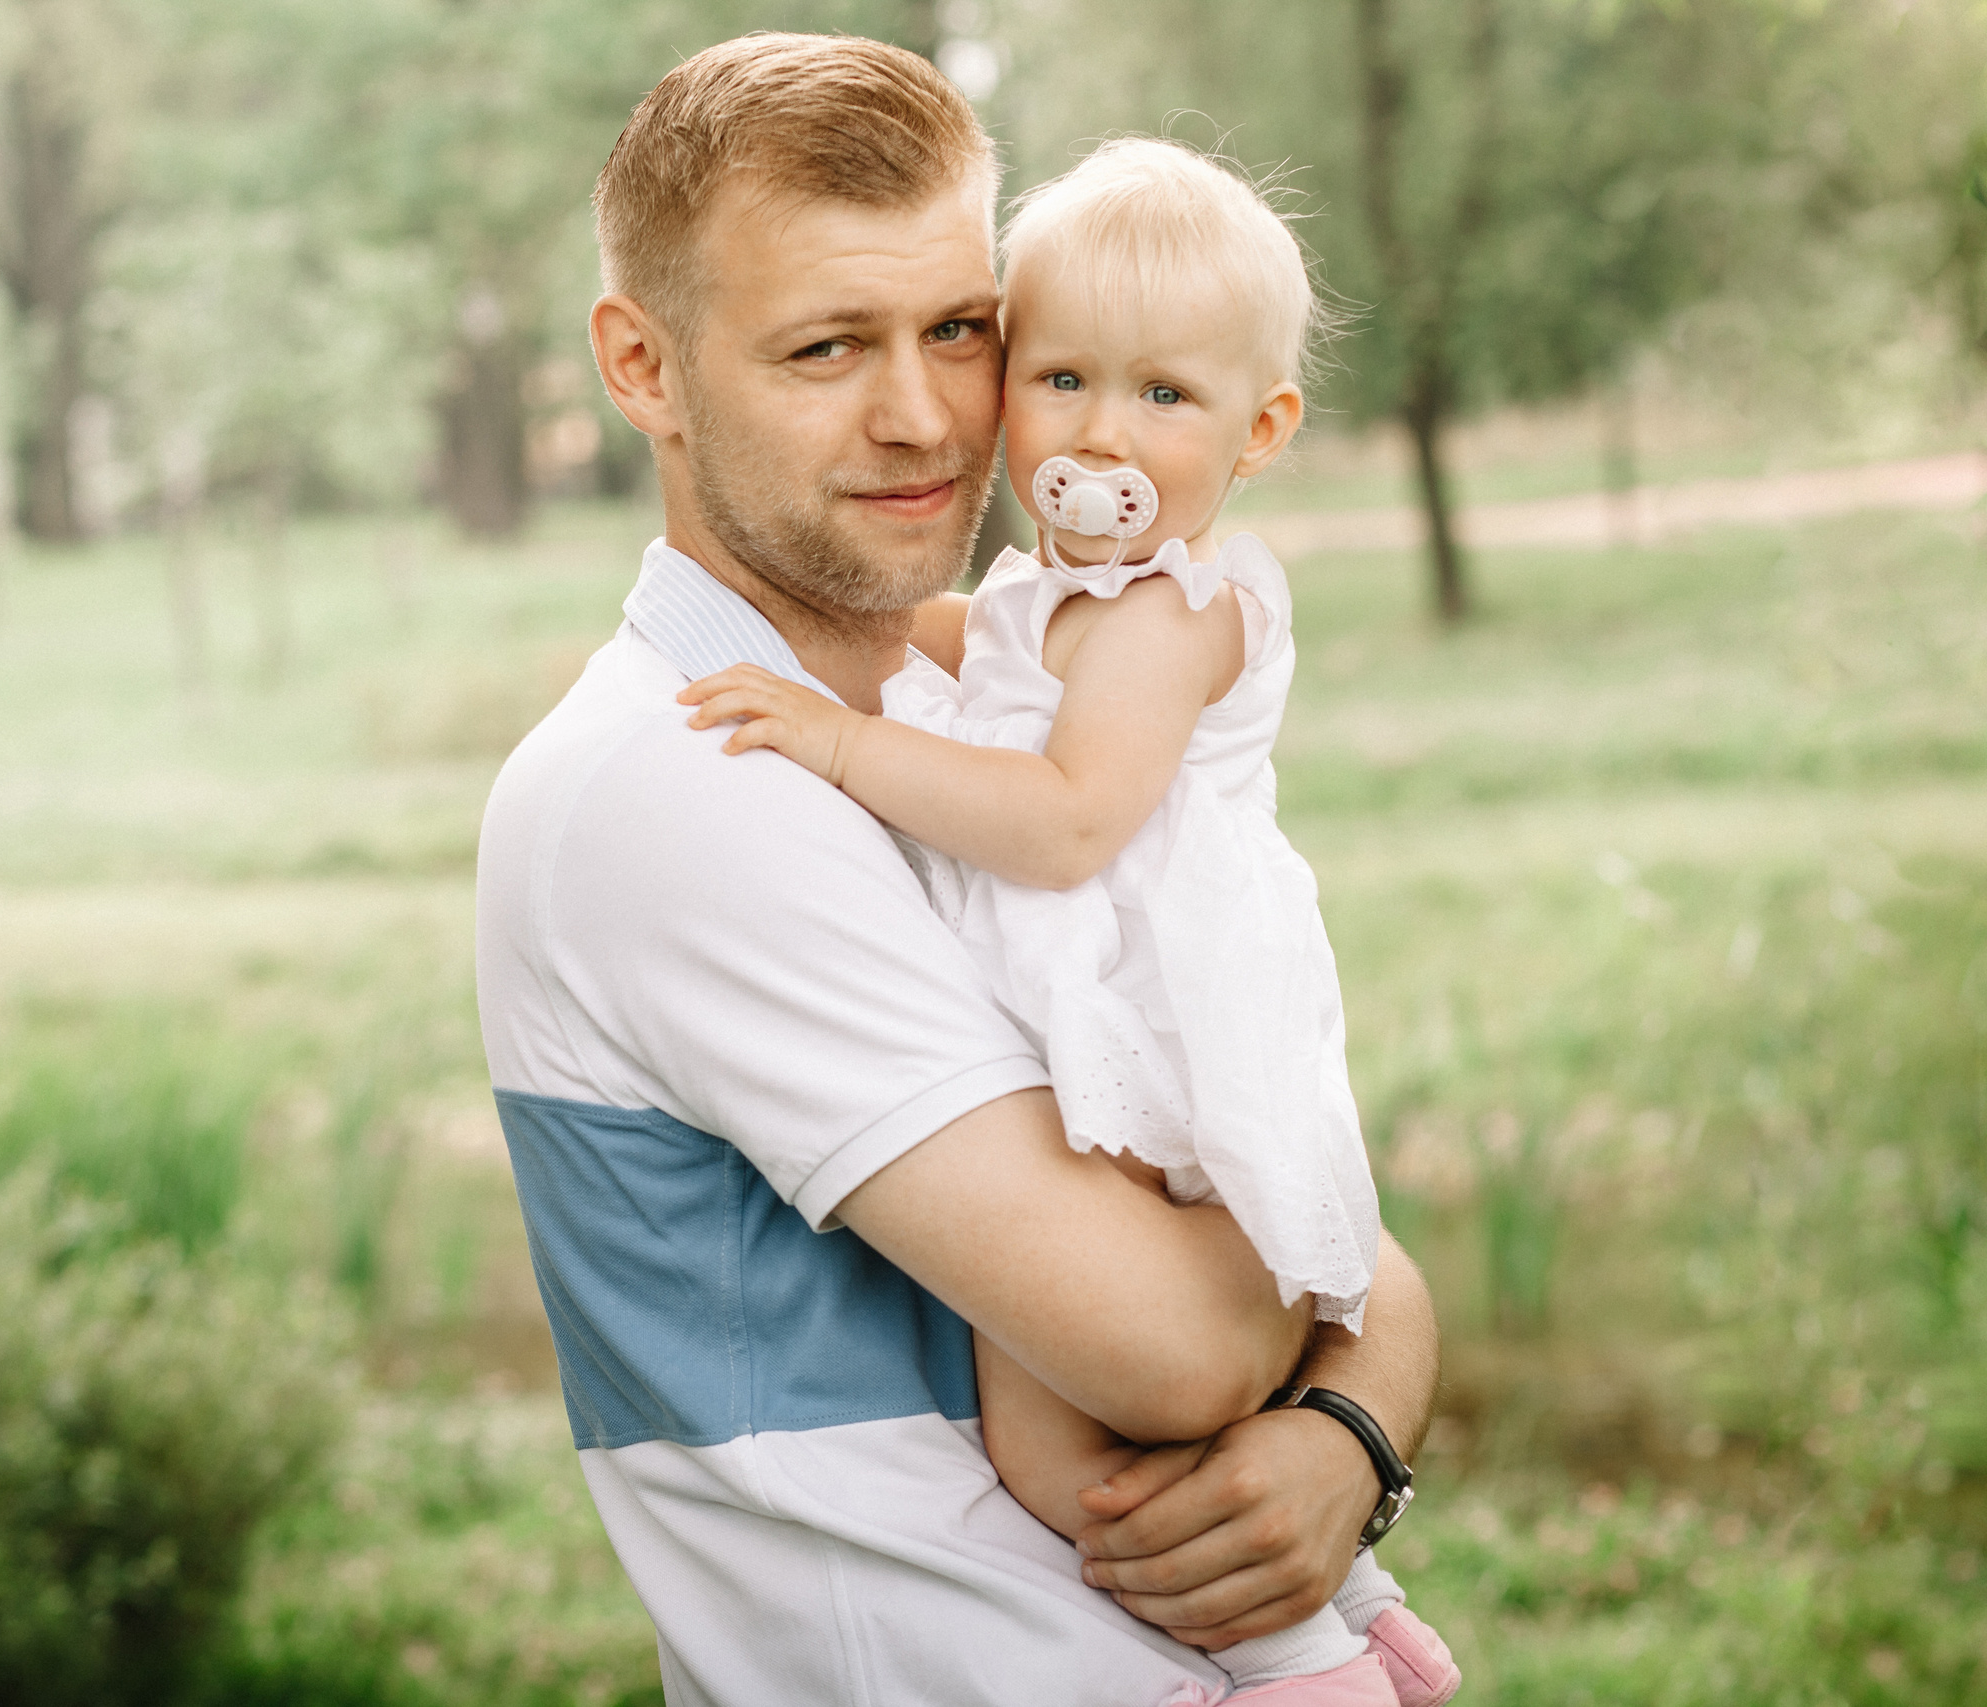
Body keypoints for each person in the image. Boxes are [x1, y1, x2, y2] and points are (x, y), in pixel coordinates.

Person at [475, 33, 1442, 1706]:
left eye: (958, 332)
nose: (919, 414)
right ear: (641, 367)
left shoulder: (969, 716)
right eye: (826, 346)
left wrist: (1354, 1426)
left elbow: (1293, 1223)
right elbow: (1197, 1335)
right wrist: (1352, 1362)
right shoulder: (687, 784)